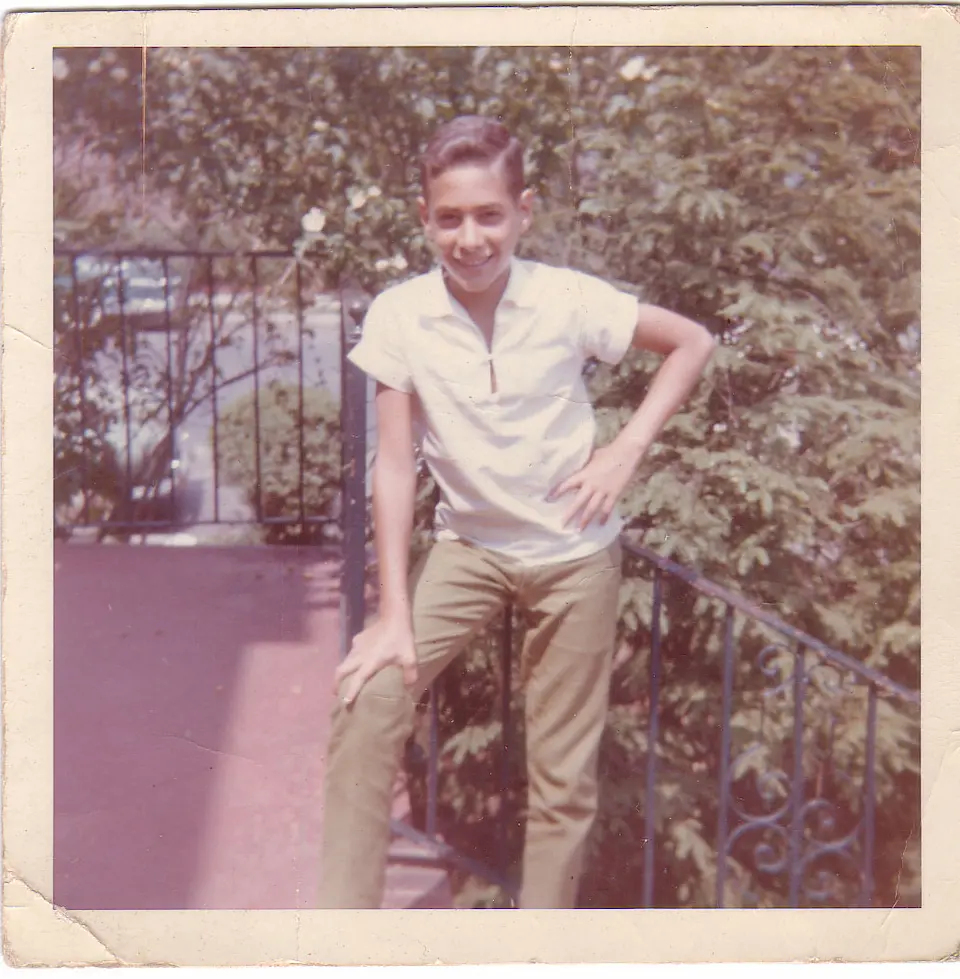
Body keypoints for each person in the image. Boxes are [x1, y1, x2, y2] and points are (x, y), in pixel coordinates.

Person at [319, 115, 716, 909]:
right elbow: (394, 467)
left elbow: (693, 342)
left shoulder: (567, 299)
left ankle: (541, 949)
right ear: (424, 219)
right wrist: (394, 612)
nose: (470, 237)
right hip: (468, 550)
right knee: (365, 709)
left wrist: (624, 449)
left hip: (573, 556)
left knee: (562, 780)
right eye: (450, 217)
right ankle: (342, 943)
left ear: (524, 212)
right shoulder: (401, 314)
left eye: (489, 214)